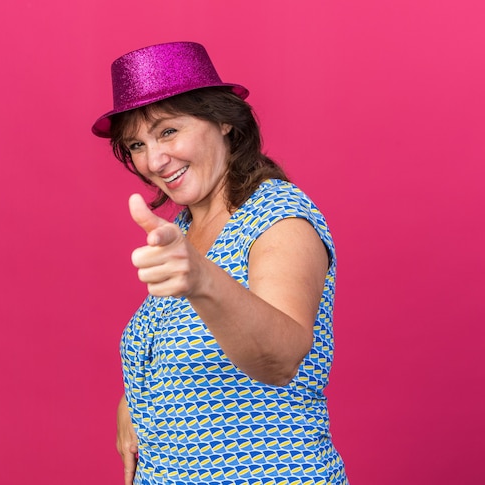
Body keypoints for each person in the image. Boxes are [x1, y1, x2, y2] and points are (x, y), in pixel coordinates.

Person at [92, 41, 349, 485]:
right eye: (137, 143)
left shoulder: (279, 218)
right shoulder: (188, 226)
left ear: (225, 120)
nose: (154, 160)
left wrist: (202, 278)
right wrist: (136, 397)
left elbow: (280, 359)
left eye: (169, 132)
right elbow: (189, 355)